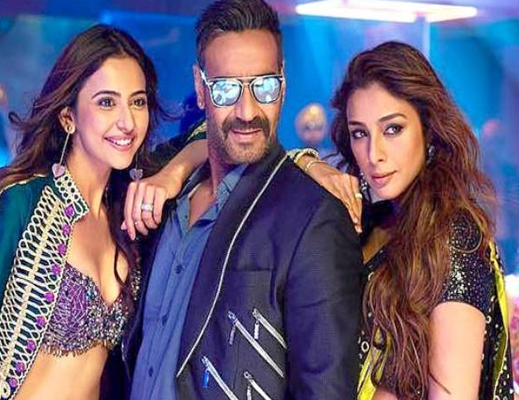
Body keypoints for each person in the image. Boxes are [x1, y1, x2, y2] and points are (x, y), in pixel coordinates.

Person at [124, 0, 364, 399]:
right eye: (226, 89)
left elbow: (325, 390)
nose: (248, 111)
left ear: (283, 82)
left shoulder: (315, 219)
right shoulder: (164, 197)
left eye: (263, 86)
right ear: (201, 89)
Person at [0, 24, 177, 399]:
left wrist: (173, 175)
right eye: (107, 102)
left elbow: (207, 136)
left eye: (137, 102)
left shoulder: (126, 217)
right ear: (67, 117)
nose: (127, 122)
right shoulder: (20, 203)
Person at [296, 41, 513, 398]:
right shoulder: (372, 220)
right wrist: (309, 163)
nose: (374, 154)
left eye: (392, 129)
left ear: (428, 128)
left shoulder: (454, 237)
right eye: (360, 133)